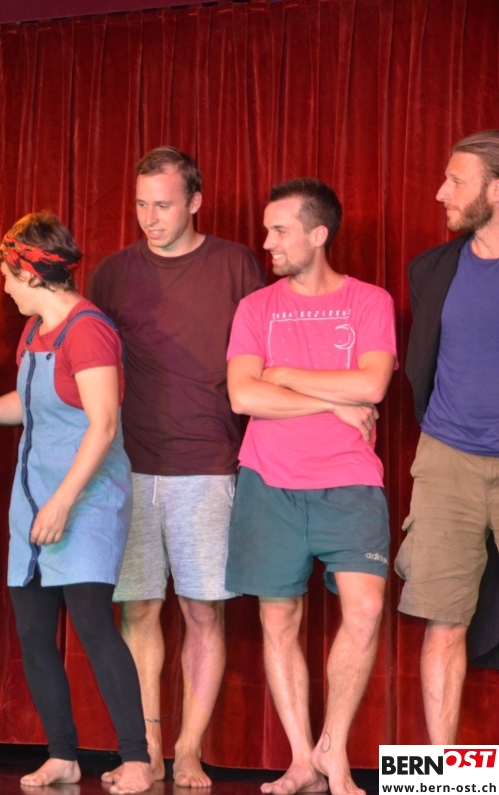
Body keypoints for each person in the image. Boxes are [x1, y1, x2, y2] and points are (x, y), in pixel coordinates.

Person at [88, 146, 264, 786]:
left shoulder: (235, 264)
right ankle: (148, 748)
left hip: (208, 464)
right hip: (128, 467)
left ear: (195, 202)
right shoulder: (113, 273)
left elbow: (264, 355)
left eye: (162, 205)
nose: (149, 218)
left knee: (202, 612)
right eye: (140, 204)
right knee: (137, 610)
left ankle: (189, 748)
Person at [0, 211, 152, 792]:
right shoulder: (34, 331)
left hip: (85, 501)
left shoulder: (89, 330)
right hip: (34, 500)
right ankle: (63, 755)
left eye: (7, 274)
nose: (3, 286)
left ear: (30, 273)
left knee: (94, 625)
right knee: (33, 632)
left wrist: (64, 502)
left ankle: (138, 759)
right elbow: (31, 404)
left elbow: (103, 424)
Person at [225, 179, 395, 795]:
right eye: (267, 230)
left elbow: (372, 386)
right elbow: (243, 396)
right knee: (279, 619)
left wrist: (285, 375)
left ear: (318, 234)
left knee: (366, 610)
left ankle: (333, 749)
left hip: (349, 480)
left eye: (280, 231)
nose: (268, 242)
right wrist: (332, 401)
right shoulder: (255, 308)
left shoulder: (370, 301)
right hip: (268, 478)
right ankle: (301, 759)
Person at [397, 129, 499, 744]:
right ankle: (444, 780)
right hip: (446, 459)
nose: (441, 192)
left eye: (456, 181)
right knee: (443, 620)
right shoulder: (431, 269)